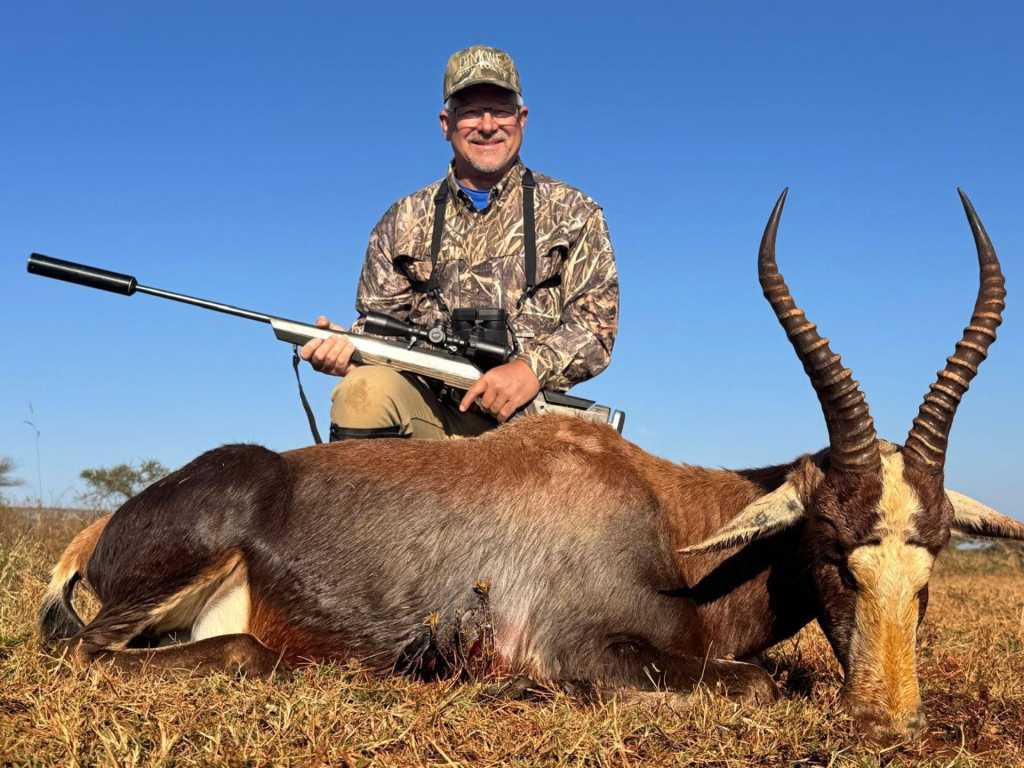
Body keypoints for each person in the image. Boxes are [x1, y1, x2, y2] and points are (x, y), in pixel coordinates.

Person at [301, 45, 619, 441]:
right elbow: (383, 332)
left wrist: (529, 369)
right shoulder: (402, 220)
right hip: (433, 415)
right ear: (446, 123)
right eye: (470, 112)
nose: (487, 125)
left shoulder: (575, 211)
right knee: (362, 391)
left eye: (500, 110)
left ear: (521, 119)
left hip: (533, 422)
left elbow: (595, 328)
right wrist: (350, 352)